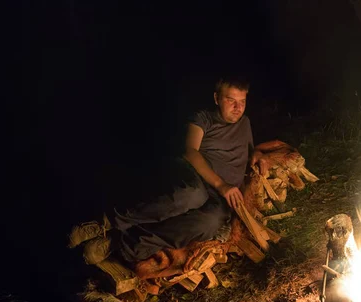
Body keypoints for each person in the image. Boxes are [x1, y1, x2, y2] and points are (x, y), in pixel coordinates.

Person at [68, 76, 264, 265]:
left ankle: (119, 245)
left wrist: (259, 155)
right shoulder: (203, 118)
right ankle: (106, 222)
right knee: (192, 195)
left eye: (242, 101)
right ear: (216, 98)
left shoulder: (244, 123)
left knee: (209, 223)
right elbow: (190, 150)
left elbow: (249, 150)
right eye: (231, 100)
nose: (238, 108)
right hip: (196, 177)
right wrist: (221, 184)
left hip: (220, 197)